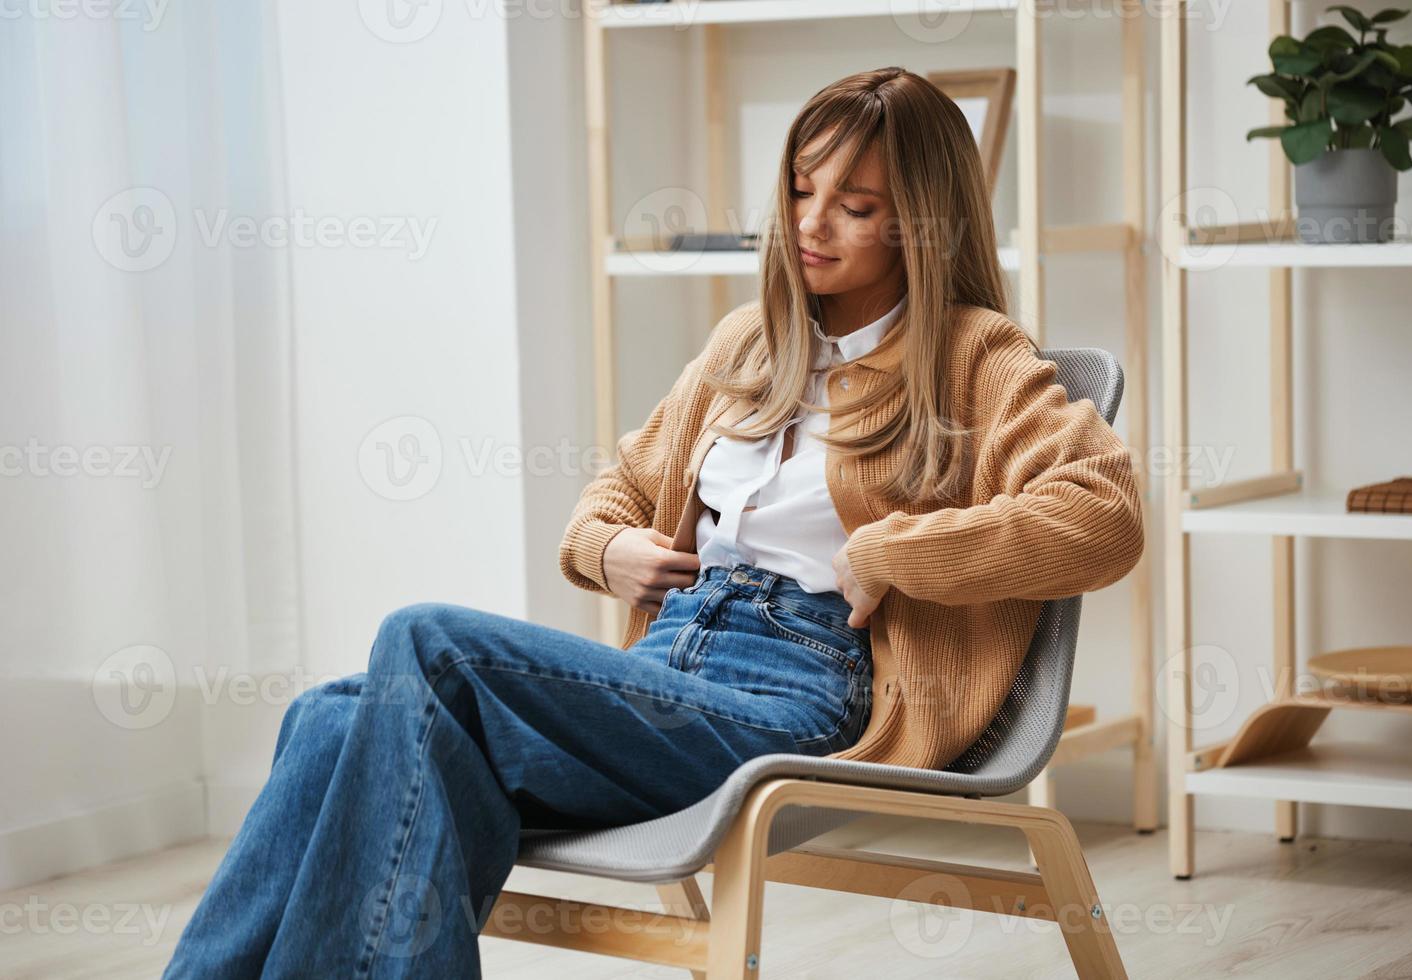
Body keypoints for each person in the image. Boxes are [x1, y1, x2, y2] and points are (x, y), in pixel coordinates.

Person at [162, 66, 1144, 978]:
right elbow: (618, 489)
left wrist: (896, 548)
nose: (812, 224)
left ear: (923, 225)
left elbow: (1102, 513)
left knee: (422, 640)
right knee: (331, 717)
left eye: (856, 206)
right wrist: (609, 546)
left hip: (794, 695)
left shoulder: (978, 355)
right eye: (801, 191)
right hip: (662, 675)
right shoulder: (749, 346)